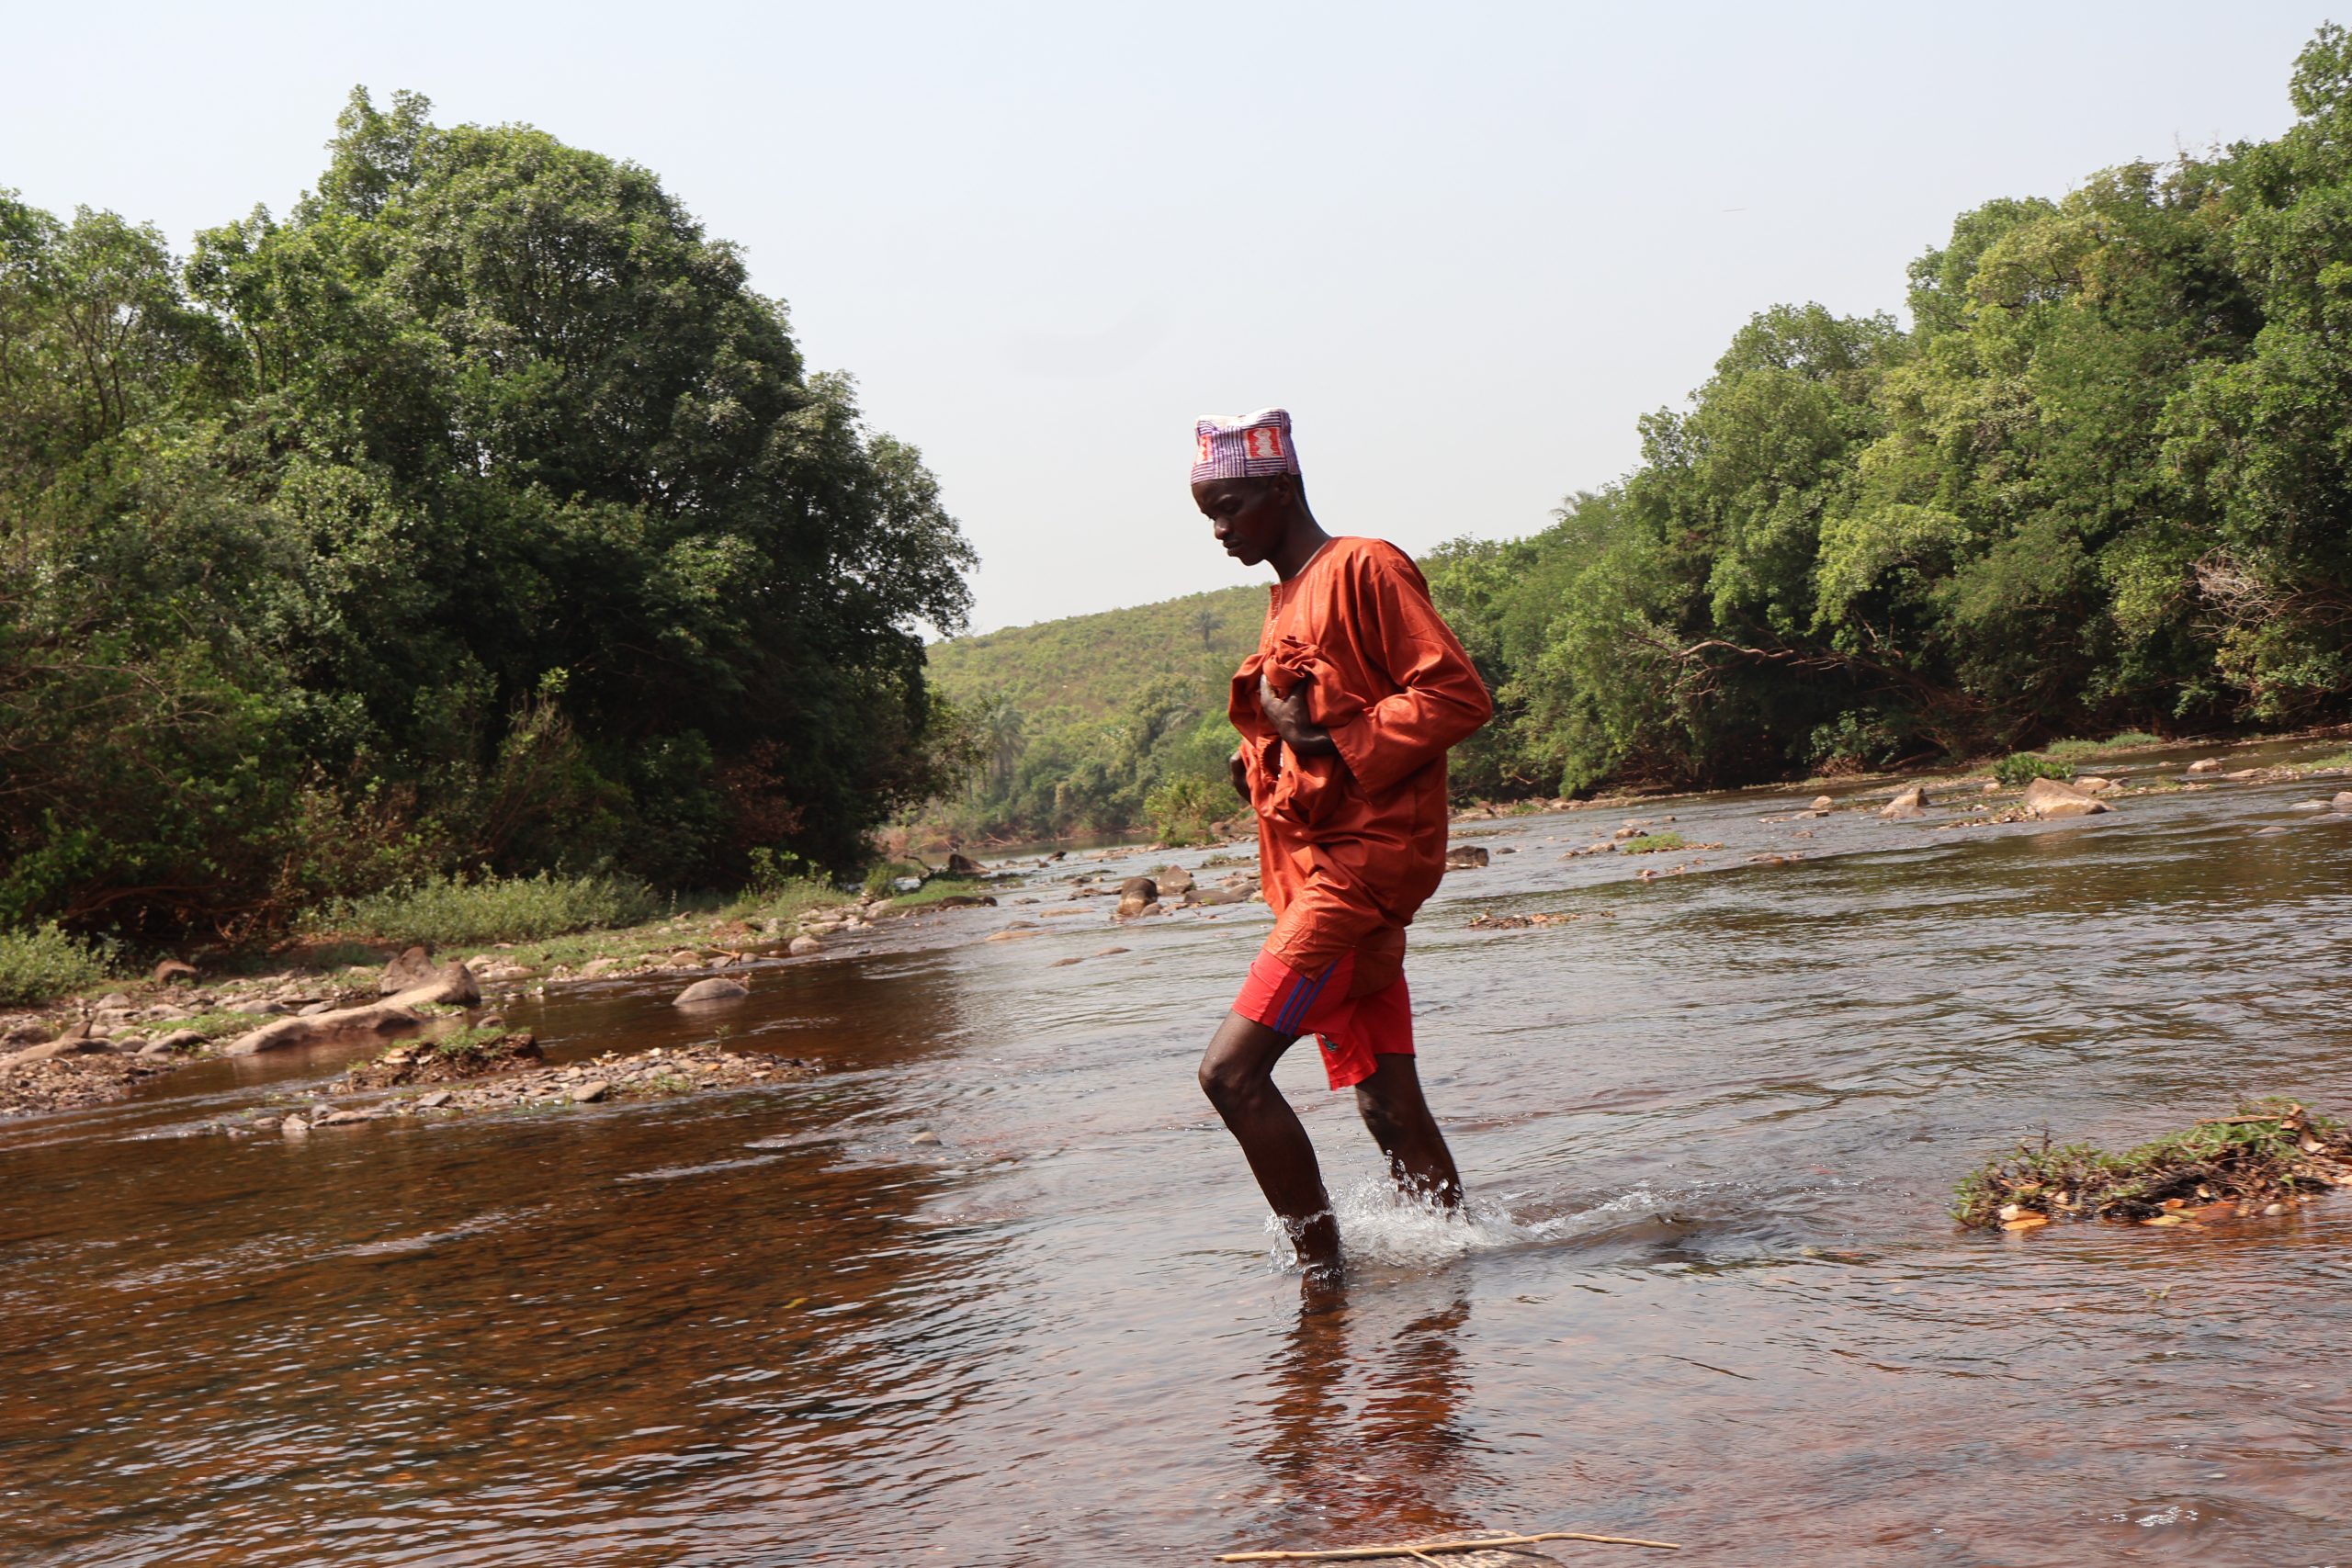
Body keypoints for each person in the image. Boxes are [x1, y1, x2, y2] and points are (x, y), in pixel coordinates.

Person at [1190, 408, 1493, 1271]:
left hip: (1355, 879)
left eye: (1232, 506)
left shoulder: (1364, 564)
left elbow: (1457, 695)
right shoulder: (1283, 595)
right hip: (1320, 870)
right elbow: (1299, 724)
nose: (1220, 529)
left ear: (1282, 488)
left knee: (1230, 1074)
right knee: (1387, 1103)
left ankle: (1323, 1281)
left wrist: (1325, 738)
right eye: (1208, 511)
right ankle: (1457, 1268)